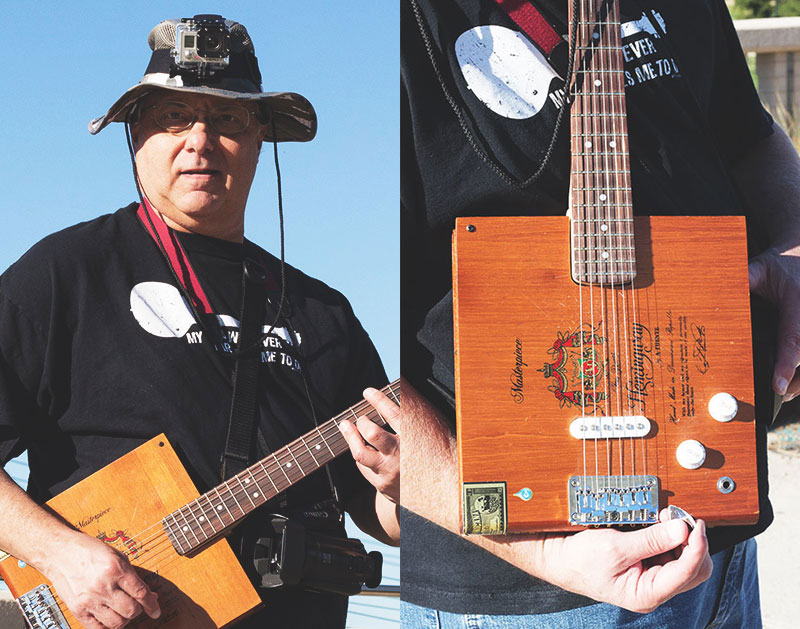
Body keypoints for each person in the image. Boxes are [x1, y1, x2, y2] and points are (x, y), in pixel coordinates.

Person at [400, 0, 800, 626]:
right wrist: (544, 553)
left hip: (717, 530)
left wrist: (794, 249)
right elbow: (362, 369)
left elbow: (748, 139)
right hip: (528, 587)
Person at [0, 14, 399, 629]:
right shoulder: (64, 273)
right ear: (136, 135)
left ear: (261, 136)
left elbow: (381, 517)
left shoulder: (325, 313)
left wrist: (401, 485)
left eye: (228, 119)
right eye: (173, 117)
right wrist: (60, 554)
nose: (200, 140)